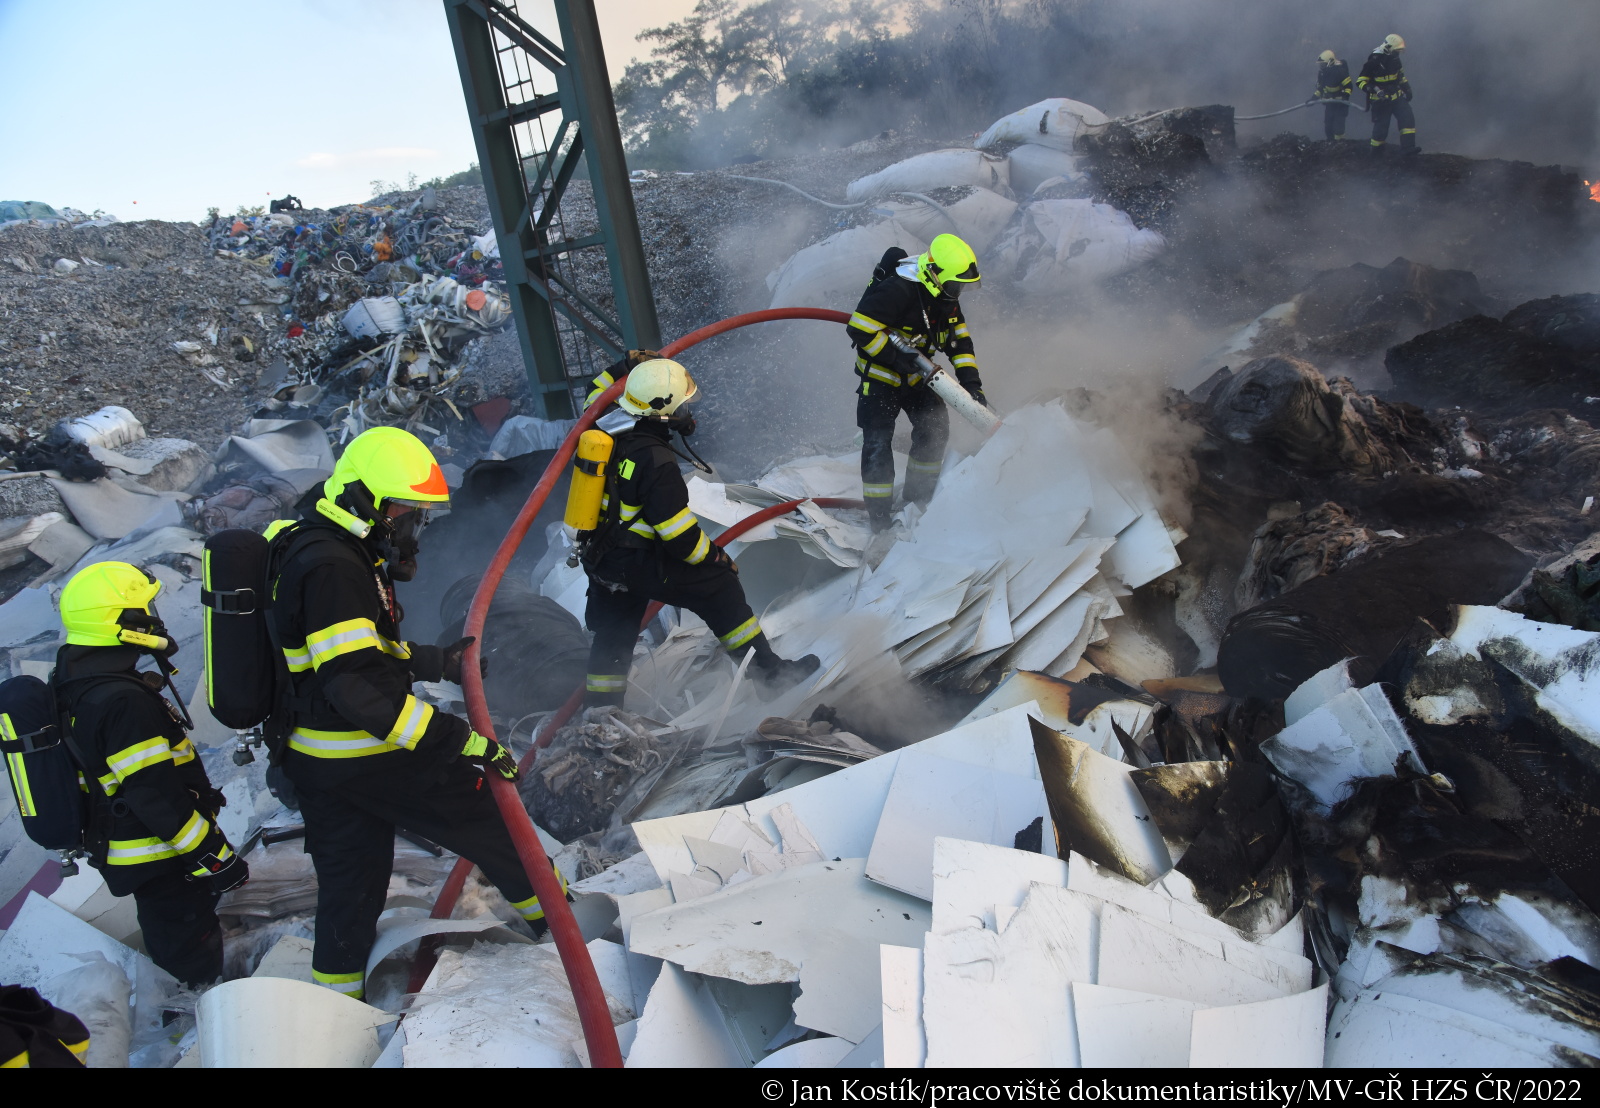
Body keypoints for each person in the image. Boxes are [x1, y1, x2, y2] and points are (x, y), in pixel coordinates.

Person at [267, 426, 559, 1000]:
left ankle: (337, 1011)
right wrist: (460, 740)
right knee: (495, 825)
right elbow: (356, 688)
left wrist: (435, 661)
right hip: (365, 754)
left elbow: (351, 655)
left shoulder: (326, 547)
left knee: (350, 894)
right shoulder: (336, 568)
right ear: (365, 500)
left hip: (317, 757)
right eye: (406, 511)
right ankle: (572, 931)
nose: (413, 526)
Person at [578, 357, 820, 705]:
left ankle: (601, 711)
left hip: (602, 557)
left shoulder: (601, 426)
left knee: (614, 630)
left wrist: (622, 365)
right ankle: (771, 676)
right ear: (663, 411)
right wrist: (717, 557)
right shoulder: (657, 463)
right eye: (683, 404)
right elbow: (680, 539)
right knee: (719, 589)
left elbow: (594, 392)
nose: (688, 410)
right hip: (637, 561)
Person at [54, 560, 247, 987]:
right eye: (145, 609)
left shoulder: (78, 676)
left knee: (172, 943)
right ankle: (193, 1030)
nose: (154, 619)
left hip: (136, 852)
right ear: (119, 622)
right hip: (160, 857)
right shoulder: (122, 702)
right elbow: (155, 796)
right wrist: (213, 857)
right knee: (190, 958)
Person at [845, 233, 985, 532]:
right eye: (953, 284)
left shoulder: (946, 299)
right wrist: (896, 360)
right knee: (878, 443)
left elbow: (959, 343)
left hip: (917, 375)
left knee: (935, 428)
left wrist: (973, 387)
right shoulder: (900, 289)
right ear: (935, 276)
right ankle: (879, 519)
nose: (957, 291)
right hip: (881, 378)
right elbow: (859, 328)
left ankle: (918, 500)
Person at [1358, 33, 1417, 154]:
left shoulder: (1395, 59)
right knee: (1381, 128)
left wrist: (1407, 89)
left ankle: (1408, 149)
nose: (1398, 53)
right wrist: (1373, 89)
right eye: (1396, 51)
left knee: (1407, 119)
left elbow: (1400, 76)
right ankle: (1376, 154)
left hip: (1397, 98)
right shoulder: (1374, 60)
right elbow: (1360, 81)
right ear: (1388, 48)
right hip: (1381, 101)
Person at [1315, 49, 1351, 141]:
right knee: (1328, 126)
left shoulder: (1340, 72)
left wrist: (1344, 96)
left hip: (1340, 105)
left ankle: (1339, 146)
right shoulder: (1322, 74)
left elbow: (1349, 87)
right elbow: (1320, 88)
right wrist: (1314, 97)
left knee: (1338, 128)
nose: (1321, 67)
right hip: (1330, 104)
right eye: (1320, 65)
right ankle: (1331, 145)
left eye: (1323, 64)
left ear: (1330, 62)